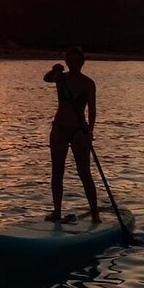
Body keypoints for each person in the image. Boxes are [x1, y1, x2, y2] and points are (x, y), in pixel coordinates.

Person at [43, 47, 101, 223]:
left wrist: (90, 130)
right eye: (71, 61)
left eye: (77, 61)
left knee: (84, 172)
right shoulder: (61, 78)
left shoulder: (88, 83)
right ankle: (57, 212)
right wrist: (54, 69)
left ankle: (95, 214)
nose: (74, 64)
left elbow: (92, 110)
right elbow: (46, 79)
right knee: (57, 172)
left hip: (79, 132)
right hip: (59, 128)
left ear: (83, 62)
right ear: (67, 62)